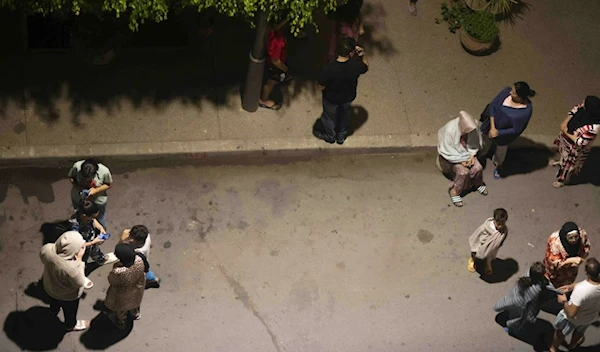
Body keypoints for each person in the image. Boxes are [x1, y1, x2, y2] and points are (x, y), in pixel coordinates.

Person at [314, 37, 368, 145]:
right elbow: (365, 66)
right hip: (348, 97)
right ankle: (341, 136)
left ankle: (330, 136)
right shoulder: (355, 66)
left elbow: (320, 87)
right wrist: (363, 54)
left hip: (331, 99)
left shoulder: (328, 69)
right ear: (352, 52)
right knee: (345, 114)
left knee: (329, 117)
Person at [479, 82, 536, 179]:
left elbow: (517, 129)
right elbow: (493, 106)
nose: (510, 92)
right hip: (490, 127)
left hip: (504, 137)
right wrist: (493, 127)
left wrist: (498, 133)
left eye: (513, 93)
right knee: (484, 143)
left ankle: (498, 165)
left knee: (501, 152)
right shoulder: (505, 92)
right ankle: (480, 157)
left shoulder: (525, 111)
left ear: (520, 97)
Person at [40, 231, 90, 331]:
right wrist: (79, 261)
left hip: (49, 286)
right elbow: (79, 282)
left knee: (53, 301)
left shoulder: (47, 248)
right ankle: (70, 325)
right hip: (67, 296)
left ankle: (53, 310)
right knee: (70, 312)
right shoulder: (72, 268)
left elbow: (43, 259)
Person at [549, 258, 600, 352]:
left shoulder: (581, 291)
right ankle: (572, 345)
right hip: (589, 317)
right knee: (579, 332)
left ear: (586, 272)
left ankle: (553, 348)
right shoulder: (592, 283)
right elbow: (588, 283)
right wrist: (571, 287)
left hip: (571, 320)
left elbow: (571, 313)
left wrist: (564, 301)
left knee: (560, 333)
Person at [437, 110, 487, 207]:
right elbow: (447, 151)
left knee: (478, 167)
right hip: (452, 157)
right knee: (463, 172)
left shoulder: (472, 127)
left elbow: (474, 142)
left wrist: (472, 155)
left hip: (466, 154)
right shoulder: (449, 130)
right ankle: (455, 191)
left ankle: (477, 183)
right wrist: (461, 161)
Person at [551, 95, 600, 188]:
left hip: (574, 147)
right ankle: (560, 162)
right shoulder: (585, 107)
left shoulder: (594, 127)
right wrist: (565, 123)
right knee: (562, 153)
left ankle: (563, 180)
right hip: (566, 139)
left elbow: (581, 142)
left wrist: (565, 130)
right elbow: (574, 110)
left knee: (568, 166)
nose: (582, 103)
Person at [493, 262, 550, 334]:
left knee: (508, 306)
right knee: (516, 319)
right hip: (520, 306)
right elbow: (533, 304)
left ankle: (501, 309)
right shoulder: (536, 289)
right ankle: (510, 328)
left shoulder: (527, 273)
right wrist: (532, 316)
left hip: (513, 297)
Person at [104, 243, 146, 329]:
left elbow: (111, 281)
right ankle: (135, 314)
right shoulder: (139, 260)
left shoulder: (118, 271)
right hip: (137, 289)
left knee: (121, 308)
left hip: (123, 294)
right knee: (134, 302)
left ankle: (121, 322)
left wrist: (115, 266)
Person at [544, 222, 590, 293]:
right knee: (554, 285)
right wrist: (571, 260)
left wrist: (579, 259)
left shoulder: (582, 234)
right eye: (570, 238)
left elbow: (586, 247)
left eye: (576, 237)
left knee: (568, 283)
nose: (574, 240)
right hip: (558, 272)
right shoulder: (555, 243)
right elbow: (552, 262)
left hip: (571, 271)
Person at [68, 200, 117, 265]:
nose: (94, 218)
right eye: (92, 217)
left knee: (95, 251)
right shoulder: (74, 226)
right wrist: (92, 242)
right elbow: (77, 245)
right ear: (84, 215)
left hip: (91, 238)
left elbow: (93, 220)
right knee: (82, 260)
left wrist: (100, 228)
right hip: (83, 246)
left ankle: (100, 259)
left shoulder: (84, 213)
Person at [259, 18, 293, 110]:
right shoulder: (277, 42)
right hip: (275, 66)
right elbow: (275, 60)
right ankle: (263, 100)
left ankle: (284, 77)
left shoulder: (271, 31)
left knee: (276, 78)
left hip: (277, 61)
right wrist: (286, 69)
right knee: (270, 83)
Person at [68, 159, 113, 228]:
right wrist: (79, 188)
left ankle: (102, 230)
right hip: (79, 198)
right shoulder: (77, 166)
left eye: (89, 178)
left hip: (98, 201)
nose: (87, 180)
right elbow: (71, 177)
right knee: (79, 215)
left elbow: (108, 184)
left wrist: (96, 190)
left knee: (100, 218)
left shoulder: (104, 171)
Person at [468, 208, 508, 275]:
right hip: (480, 246)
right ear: (494, 220)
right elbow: (476, 238)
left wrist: (499, 244)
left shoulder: (503, 230)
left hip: (491, 248)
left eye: (503, 224)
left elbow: (503, 237)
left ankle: (487, 265)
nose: (501, 226)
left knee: (489, 256)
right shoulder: (484, 228)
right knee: (475, 254)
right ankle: (473, 260)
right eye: (498, 224)